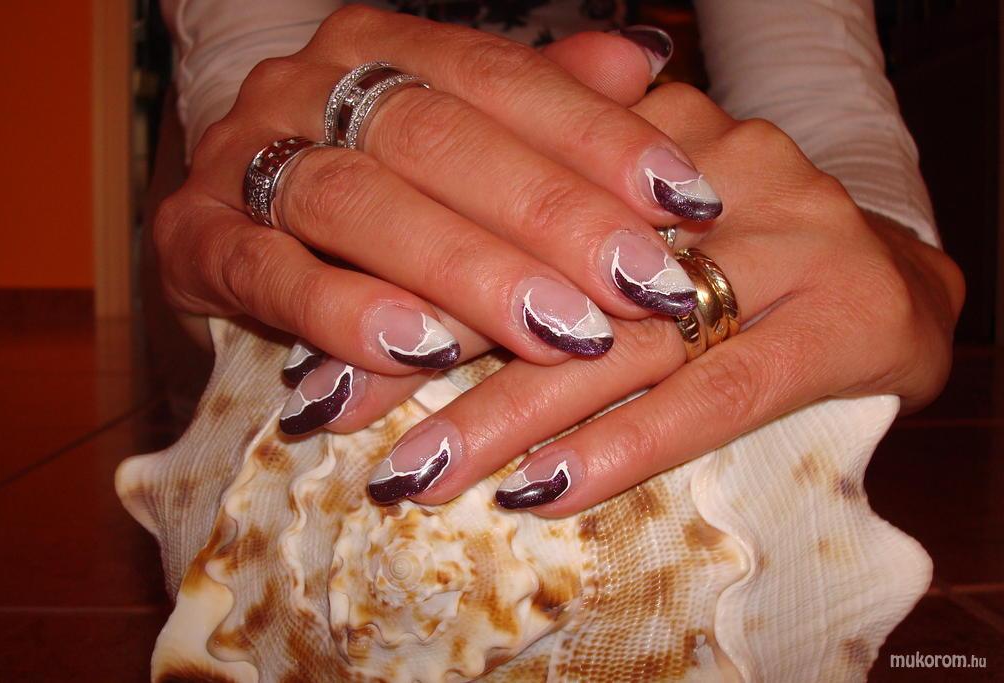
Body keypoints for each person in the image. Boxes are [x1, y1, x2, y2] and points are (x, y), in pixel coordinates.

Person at [154, 0, 963, 513]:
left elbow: (833, 116)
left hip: (679, 224)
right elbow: (247, 129)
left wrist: (903, 272)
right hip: (351, 328)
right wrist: (269, 236)